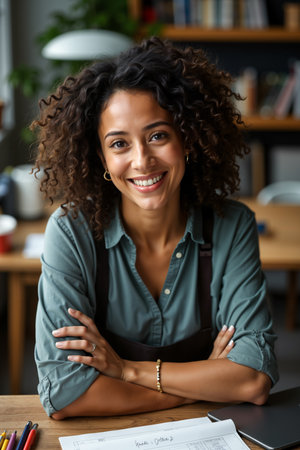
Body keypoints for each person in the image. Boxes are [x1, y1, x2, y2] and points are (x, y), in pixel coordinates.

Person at [33, 37, 278, 420]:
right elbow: (66, 396)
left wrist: (128, 371)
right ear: (101, 156)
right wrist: (202, 386)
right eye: (119, 144)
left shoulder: (232, 225)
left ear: (188, 139)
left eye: (158, 136)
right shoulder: (71, 232)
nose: (142, 160)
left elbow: (252, 381)